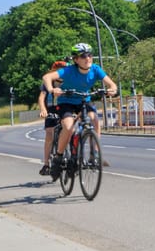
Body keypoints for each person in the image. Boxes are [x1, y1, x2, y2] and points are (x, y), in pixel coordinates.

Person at [43, 43, 117, 172]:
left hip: (84, 100)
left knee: (95, 121)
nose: (87, 58)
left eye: (89, 55)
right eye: (83, 56)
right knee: (68, 127)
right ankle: (59, 156)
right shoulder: (69, 70)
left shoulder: (95, 69)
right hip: (66, 101)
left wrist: (112, 89)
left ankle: (94, 154)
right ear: (76, 60)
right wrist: (52, 89)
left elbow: (112, 84)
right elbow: (47, 77)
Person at [37, 60, 67, 175]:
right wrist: (43, 110)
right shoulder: (48, 83)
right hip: (51, 109)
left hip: (65, 107)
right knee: (49, 133)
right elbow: (41, 97)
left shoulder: (69, 80)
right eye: (57, 70)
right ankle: (46, 164)